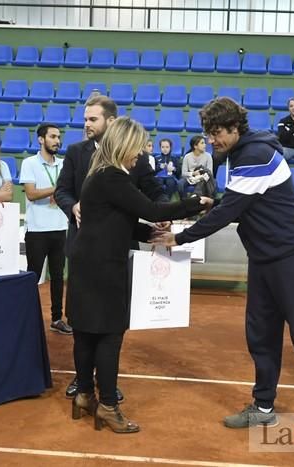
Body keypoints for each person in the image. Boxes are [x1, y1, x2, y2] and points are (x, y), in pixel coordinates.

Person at [151, 97, 294, 448]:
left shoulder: (253, 154)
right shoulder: (243, 154)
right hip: (263, 258)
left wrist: (179, 237)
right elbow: (241, 204)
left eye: (216, 134)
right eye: (208, 134)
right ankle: (263, 405)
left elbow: (229, 212)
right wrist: (226, 203)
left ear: (234, 128)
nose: (212, 140)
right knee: (261, 335)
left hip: (289, 256)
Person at [67, 116, 208, 433]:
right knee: (110, 335)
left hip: (86, 264)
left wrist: (150, 235)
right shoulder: (114, 177)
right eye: (138, 148)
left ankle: (85, 397)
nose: (141, 155)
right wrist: (195, 203)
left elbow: (119, 223)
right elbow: (154, 210)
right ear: (124, 146)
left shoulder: (99, 176)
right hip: (104, 267)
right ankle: (107, 406)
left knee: (86, 333)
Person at [54, 95, 166, 402]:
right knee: (84, 322)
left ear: (111, 121)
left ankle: (105, 382)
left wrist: (165, 214)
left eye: (93, 119)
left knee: (110, 323)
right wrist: (73, 206)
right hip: (82, 247)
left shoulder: (136, 157)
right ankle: (84, 383)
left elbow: (155, 193)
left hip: (119, 248)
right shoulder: (77, 152)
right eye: (85, 119)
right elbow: (62, 191)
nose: (86, 124)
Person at [19, 123, 71, 335]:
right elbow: (31, 193)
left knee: (58, 277)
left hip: (60, 228)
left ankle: (57, 318)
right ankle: (26, 317)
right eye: (52, 137)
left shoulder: (64, 164)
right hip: (37, 230)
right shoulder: (29, 163)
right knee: (33, 276)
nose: (57, 141)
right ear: (41, 139)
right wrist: (58, 189)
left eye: (58, 137)